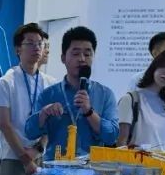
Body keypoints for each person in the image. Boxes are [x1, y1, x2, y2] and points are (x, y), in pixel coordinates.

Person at [25, 26, 118, 160]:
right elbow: (29, 132)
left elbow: (111, 136)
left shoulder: (105, 95)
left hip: (91, 169)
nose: (82, 59)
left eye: (87, 54)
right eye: (76, 54)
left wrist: (89, 112)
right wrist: (44, 113)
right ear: (63, 58)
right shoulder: (48, 95)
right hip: (56, 168)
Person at [0, 23, 53, 175]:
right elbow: (4, 124)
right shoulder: (6, 82)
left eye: (40, 43)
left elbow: (52, 123)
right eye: (30, 43)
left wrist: (38, 149)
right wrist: (25, 158)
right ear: (18, 49)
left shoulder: (50, 83)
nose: (37, 47)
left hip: (40, 156)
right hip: (13, 156)